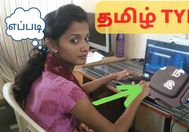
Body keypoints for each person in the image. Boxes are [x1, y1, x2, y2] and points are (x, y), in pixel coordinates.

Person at [13, 4, 150, 132]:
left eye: (86, 38)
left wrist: (112, 76)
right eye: (74, 40)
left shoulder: (45, 69)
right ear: (51, 44)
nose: (85, 47)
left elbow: (76, 92)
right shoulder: (66, 89)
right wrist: (136, 98)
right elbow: (115, 130)